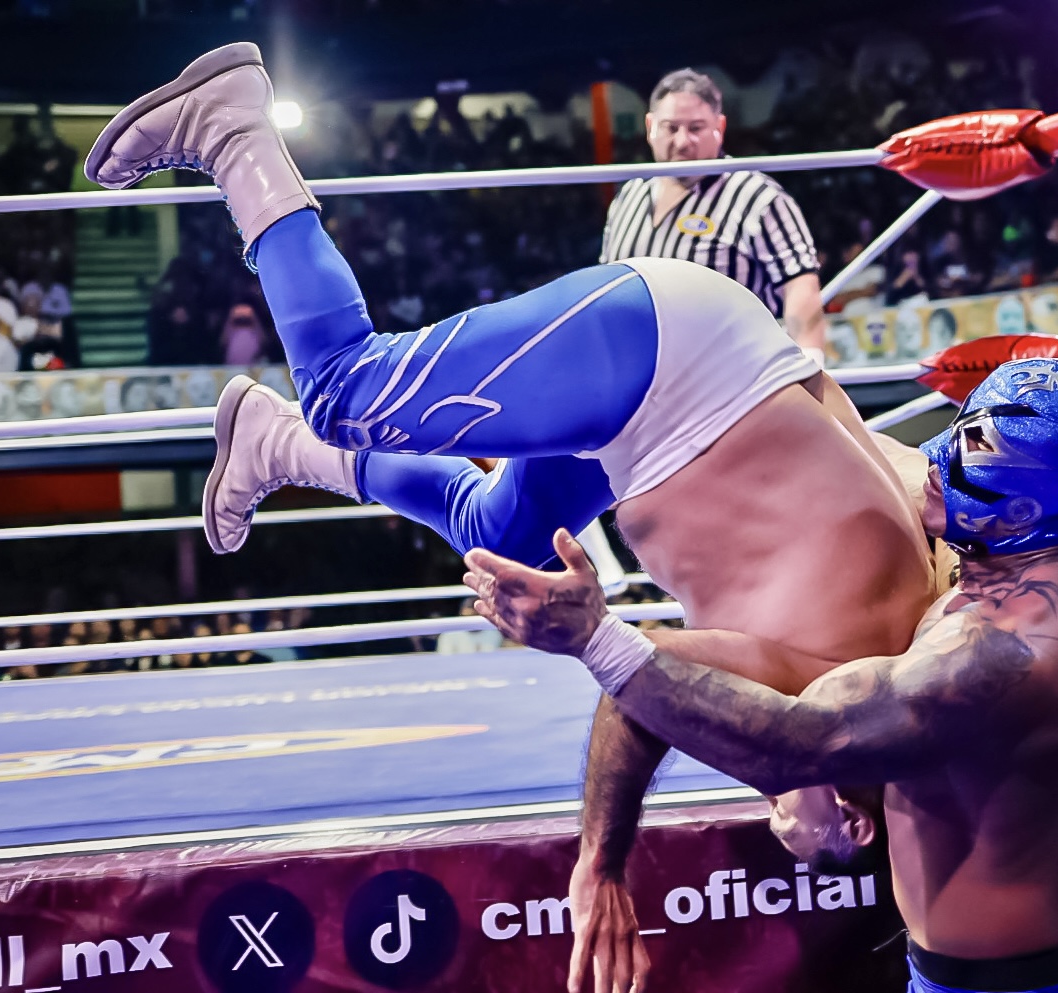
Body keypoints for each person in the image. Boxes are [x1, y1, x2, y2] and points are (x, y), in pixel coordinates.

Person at [86, 44, 943, 985]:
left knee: (498, 533)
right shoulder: (823, 707)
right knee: (345, 389)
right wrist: (614, 856)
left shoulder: (932, 645)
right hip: (674, 369)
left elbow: (902, 471)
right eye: (814, 839)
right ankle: (234, 130)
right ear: (855, 821)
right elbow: (648, 685)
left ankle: (278, 445)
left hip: (691, 393)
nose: (782, 826)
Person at [467, 360, 1058, 993]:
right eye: (960, 428)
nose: (936, 455)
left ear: (1024, 508)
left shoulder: (1016, 651)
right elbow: (853, 431)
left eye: (974, 449)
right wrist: (762, 359)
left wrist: (596, 640)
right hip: (986, 966)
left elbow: (796, 745)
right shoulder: (1008, 546)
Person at [599, 69, 827, 365]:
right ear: (650, 126)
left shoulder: (756, 197)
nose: (683, 142)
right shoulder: (628, 197)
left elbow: (800, 283)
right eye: (671, 128)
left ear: (720, 126)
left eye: (696, 128)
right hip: (641, 373)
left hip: (733, 374)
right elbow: (608, 286)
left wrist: (811, 363)